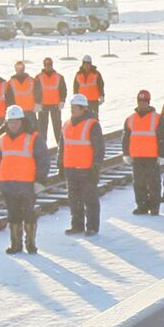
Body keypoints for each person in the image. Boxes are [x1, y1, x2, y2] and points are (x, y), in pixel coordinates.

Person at [0, 104, 48, 254]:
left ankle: (30, 244)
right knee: (13, 215)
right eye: (11, 122)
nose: (13, 125)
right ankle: (16, 244)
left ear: (22, 121)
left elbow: (43, 160)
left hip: (27, 184)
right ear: (7, 122)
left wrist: (40, 181)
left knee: (28, 214)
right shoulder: (1, 140)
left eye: (16, 122)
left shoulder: (34, 138)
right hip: (8, 184)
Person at [60, 94, 104, 236]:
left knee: (89, 199)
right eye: (72, 107)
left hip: (86, 169)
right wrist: (60, 163)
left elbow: (99, 148)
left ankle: (92, 227)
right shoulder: (66, 124)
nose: (72, 110)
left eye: (75, 108)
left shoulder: (92, 125)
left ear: (83, 109)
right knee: (74, 199)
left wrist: (96, 166)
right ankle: (77, 225)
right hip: (70, 168)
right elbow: (62, 146)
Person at [122, 89, 164, 215]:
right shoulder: (130, 119)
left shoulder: (157, 119)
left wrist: (162, 155)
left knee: (153, 183)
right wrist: (126, 153)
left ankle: (154, 207)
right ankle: (141, 206)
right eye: (140, 101)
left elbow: (163, 138)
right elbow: (125, 138)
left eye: (144, 101)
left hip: (152, 156)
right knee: (138, 183)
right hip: (137, 156)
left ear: (148, 102)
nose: (142, 104)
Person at [36, 57, 67, 148]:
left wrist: (62, 101)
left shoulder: (59, 77)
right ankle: (42, 147)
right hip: (43, 106)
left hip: (55, 105)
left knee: (57, 127)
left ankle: (61, 146)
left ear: (52, 65)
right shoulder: (38, 77)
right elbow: (36, 91)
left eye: (49, 64)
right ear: (43, 65)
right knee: (42, 128)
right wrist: (37, 103)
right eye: (46, 64)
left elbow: (63, 90)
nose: (48, 66)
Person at [6, 61, 40, 130]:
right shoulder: (10, 82)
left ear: (24, 68)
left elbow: (38, 92)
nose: (20, 70)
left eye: (21, 68)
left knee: (33, 132)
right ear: (15, 69)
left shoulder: (32, 80)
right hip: (18, 114)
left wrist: (38, 103)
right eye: (18, 68)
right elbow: (9, 98)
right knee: (20, 133)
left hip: (31, 111)